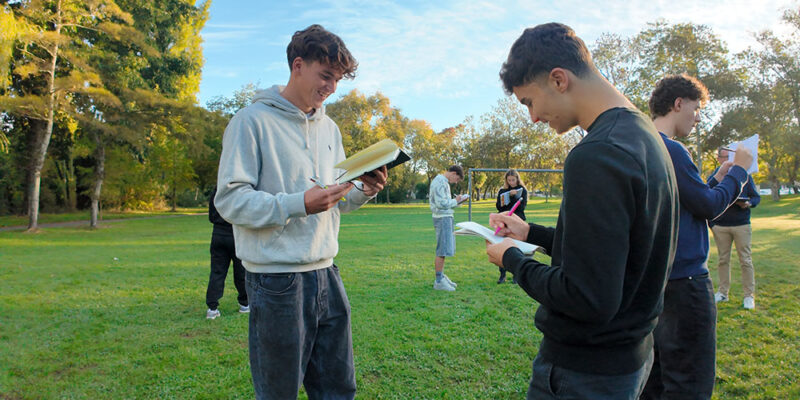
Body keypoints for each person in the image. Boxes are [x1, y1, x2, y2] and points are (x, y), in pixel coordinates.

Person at [484, 23, 679, 400]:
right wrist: (531, 235)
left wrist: (512, 260)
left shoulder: (597, 153)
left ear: (558, 79)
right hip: (631, 357)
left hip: (585, 372)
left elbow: (588, 297)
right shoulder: (645, 137)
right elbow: (615, 254)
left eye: (528, 102)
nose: (533, 117)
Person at [214, 24, 387, 400]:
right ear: (297, 66)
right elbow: (228, 200)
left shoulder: (331, 129)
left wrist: (365, 190)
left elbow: (338, 196)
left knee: (338, 389)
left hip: (327, 273)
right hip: (276, 282)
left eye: (338, 79)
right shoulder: (250, 122)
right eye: (325, 76)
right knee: (279, 392)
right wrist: (298, 203)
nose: (331, 87)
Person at [640, 75, 753, 400]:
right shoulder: (673, 150)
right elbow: (707, 205)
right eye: (696, 108)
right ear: (678, 104)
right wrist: (740, 172)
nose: (698, 116)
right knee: (689, 384)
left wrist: (714, 179)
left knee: (655, 379)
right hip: (686, 286)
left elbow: (685, 202)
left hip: (655, 283)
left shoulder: (643, 145)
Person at [707, 147, 761, 309]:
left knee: (745, 260)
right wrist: (713, 225)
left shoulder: (744, 174)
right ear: (719, 159)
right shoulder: (716, 176)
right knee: (723, 260)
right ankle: (723, 293)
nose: (729, 159)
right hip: (721, 226)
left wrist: (749, 203)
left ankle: (748, 296)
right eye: (725, 157)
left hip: (741, 225)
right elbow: (707, 195)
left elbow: (755, 197)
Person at [205, 187, 248, 319]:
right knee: (240, 271)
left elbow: (211, 216)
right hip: (235, 234)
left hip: (217, 234)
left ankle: (212, 308)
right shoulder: (239, 191)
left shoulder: (216, 191)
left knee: (217, 272)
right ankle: (245, 303)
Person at [429, 165, 466, 291]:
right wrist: (456, 201)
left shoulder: (443, 182)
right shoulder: (440, 182)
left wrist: (457, 202)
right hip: (442, 218)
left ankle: (441, 277)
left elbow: (444, 203)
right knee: (442, 249)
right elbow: (441, 204)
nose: (456, 182)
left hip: (445, 217)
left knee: (445, 248)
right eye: (457, 179)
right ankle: (439, 281)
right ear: (454, 173)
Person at [495, 169, 527, 284]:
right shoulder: (503, 191)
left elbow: (521, 207)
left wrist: (515, 197)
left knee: (516, 248)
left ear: (517, 179)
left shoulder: (522, 191)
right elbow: (499, 207)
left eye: (513, 180)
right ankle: (502, 275)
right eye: (509, 180)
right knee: (503, 248)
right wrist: (506, 198)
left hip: (517, 221)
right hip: (504, 221)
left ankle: (516, 275)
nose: (511, 182)